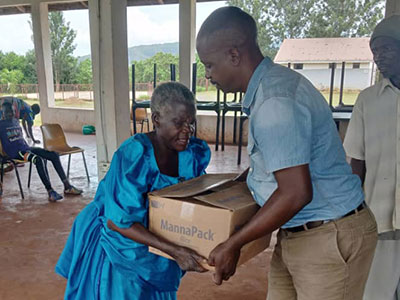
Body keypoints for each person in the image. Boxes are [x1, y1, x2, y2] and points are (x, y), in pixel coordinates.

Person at [196, 7, 377, 299]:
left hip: (329, 236)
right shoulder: (269, 90)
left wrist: (234, 243)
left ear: (233, 55)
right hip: (298, 233)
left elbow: (295, 192)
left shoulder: (274, 102)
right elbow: (271, 165)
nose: (208, 75)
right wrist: (230, 189)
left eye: (209, 65)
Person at [55, 82, 211, 299]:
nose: (187, 130)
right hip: (123, 245)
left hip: (159, 246)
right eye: (179, 123)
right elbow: (118, 222)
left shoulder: (191, 153)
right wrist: (175, 251)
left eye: (191, 123)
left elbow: (195, 195)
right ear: (156, 119)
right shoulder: (134, 155)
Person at [343, 15, 400, 300]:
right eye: (375, 51)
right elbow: (356, 162)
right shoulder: (368, 100)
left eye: (386, 49)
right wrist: (354, 213)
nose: (378, 57)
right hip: (379, 217)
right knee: (376, 292)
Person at [0, 102, 82, 201]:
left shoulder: (15, 121)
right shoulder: (1, 125)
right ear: (3, 113)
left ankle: (67, 186)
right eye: (8, 112)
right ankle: (50, 191)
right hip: (16, 153)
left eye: (12, 111)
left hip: (26, 149)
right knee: (38, 160)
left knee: (54, 155)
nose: (11, 114)